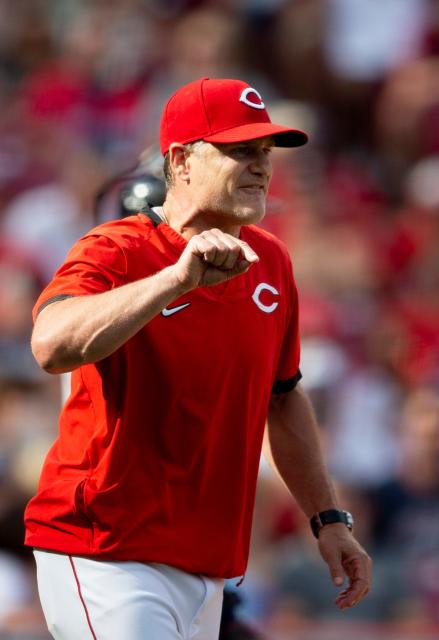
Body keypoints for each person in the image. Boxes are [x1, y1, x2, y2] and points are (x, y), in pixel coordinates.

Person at [25, 77, 372, 639]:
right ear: (183, 160)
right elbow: (50, 344)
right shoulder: (117, 248)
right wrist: (175, 279)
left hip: (207, 568)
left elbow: (283, 400)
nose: (261, 166)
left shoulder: (271, 261)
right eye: (240, 150)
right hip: (107, 549)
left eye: (265, 152)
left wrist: (327, 518)